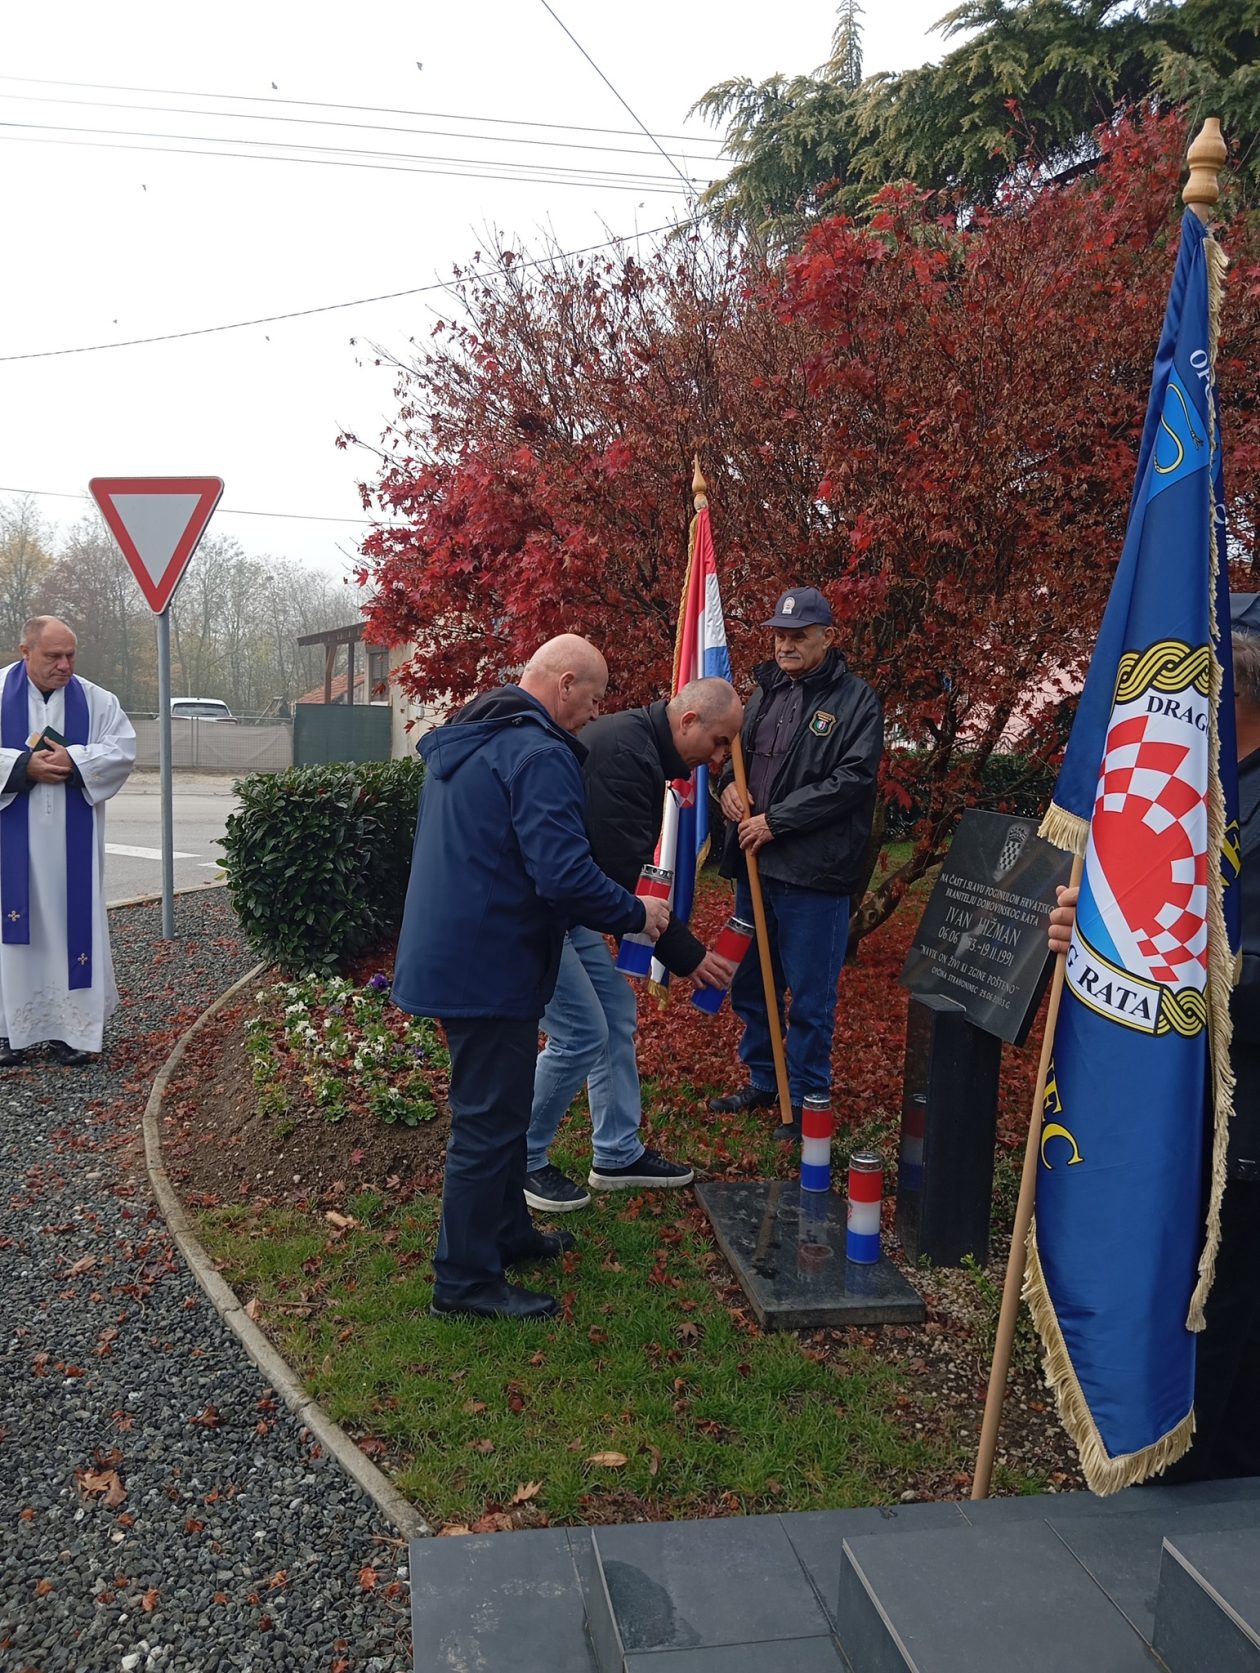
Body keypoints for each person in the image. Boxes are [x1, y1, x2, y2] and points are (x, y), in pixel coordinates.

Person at [391, 635, 670, 1323]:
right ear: (566, 682)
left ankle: (508, 1231)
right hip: (491, 961)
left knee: (504, 1110)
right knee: (487, 1123)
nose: (594, 712)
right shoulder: (538, 752)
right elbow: (563, 874)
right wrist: (638, 912)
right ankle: (463, 1280)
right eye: (595, 697)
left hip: (457, 951)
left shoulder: (472, 733)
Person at [1048, 629, 1260, 1479]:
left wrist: (1196, 968)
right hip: (1175, 1099)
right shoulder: (1197, 793)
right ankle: (1165, 1446)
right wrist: (1089, 934)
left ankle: (1219, 1481)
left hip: (1244, 1125)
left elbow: (1205, 948)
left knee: (1232, 1306)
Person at [524, 677, 745, 1211]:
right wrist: (690, 957)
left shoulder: (640, 747)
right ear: (688, 721)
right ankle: (517, 1158)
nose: (718, 759)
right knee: (580, 1032)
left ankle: (617, 1152)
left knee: (615, 1013)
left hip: (570, 912)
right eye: (718, 743)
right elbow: (623, 875)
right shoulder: (625, 755)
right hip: (537, 913)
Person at [709, 586, 883, 1134]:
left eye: (798, 636)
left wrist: (777, 821)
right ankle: (765, 1079)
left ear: (827, 637)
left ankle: (807, 1096)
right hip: (755, 868)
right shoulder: (761, 695)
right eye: (779, 635)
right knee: (753, 982)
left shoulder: (857, 701)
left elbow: (852, 780)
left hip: (815, 872)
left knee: (809, 994)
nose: (785, 645)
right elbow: (729, 758)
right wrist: (727, 788)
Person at [0, 617, 136, 1067]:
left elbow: (121, 750)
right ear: (25, 650)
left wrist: (75, 761)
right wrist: (22, 768)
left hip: (70, 854)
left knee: (70, 928)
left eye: (70, 655)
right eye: (53, 656)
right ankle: (10, 1032)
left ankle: (72, 1032)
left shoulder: (97, 700)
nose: (64, 665)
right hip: (9, 853)